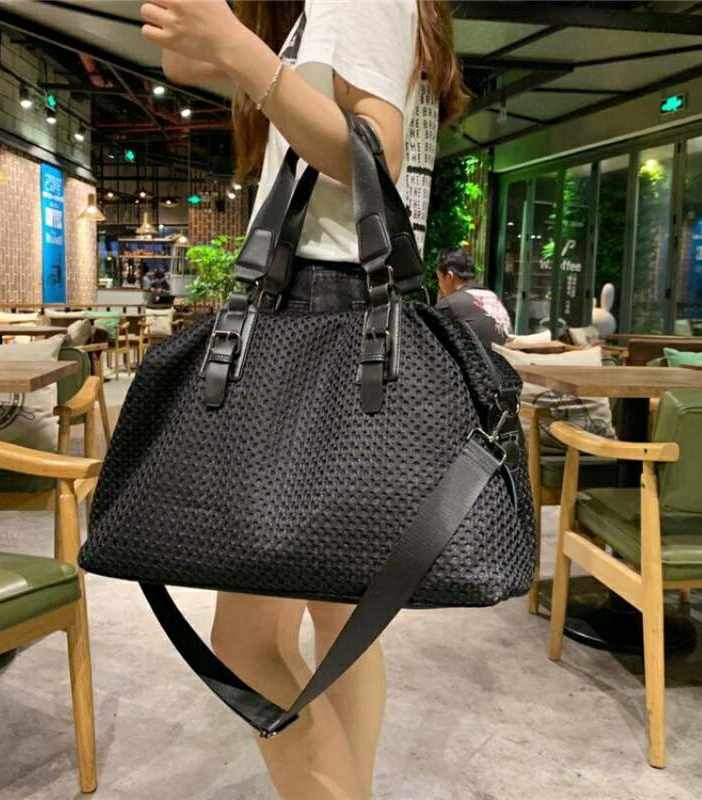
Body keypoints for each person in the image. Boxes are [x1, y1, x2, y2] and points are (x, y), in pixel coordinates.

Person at [139, 1, 467, 797]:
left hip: (316, 311)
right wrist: (232, 42)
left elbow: (370, 155)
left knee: (248, 642)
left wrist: (238, 46)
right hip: (346, 321)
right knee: (341, 622)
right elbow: (179, 54)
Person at [435, 248, 512, 348]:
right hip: (504, 355)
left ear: (449, 276)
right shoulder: (491, 295)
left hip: (480, 357)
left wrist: (441, 304)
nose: (439, 284)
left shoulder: (450, 303)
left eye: (439, 278)